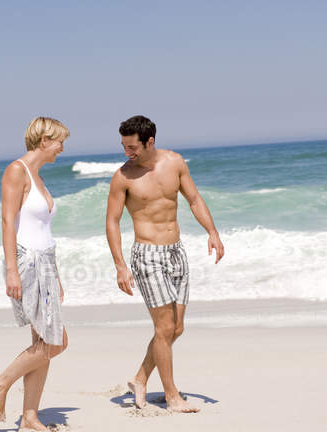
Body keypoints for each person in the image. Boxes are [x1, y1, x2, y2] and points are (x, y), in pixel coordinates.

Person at [106, 115, 224, 413]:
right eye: (123, 146)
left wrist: (212, 232)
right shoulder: (123, 177)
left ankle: (140, 378)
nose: (127, 152)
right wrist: (120, 265)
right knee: (164, 327)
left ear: (150, 142)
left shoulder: (175, 162)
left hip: (176, 252)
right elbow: (112, 222)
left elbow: (194, 199)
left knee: (176, 329)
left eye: (132, 146)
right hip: (147, 255)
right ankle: (172, 396)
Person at [0, 117, 69, 430]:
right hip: (27, 262)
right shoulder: (16, 171)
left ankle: (30, 417)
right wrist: (11, 270)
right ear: (44, 139)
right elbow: (8, 222)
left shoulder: (37, 176)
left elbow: (43, 229)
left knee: (43, 342)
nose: (62, 148)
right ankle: (0, 383)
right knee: (55, 342)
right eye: (60, 141)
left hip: (45, 262)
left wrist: (56, 274)